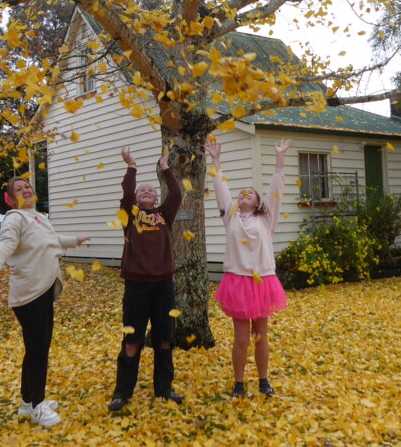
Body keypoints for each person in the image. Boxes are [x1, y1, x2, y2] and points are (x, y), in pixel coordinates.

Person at [0, 176, 89, 428]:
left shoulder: (39, 217)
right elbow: (7, 244)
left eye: (27, 187)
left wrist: (76, 240)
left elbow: (52, 240)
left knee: (36, 349)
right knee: (38, 352)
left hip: (44, 291)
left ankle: (27, 404)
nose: (25, 191)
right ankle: (37, 405)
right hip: (29, 295)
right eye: (19, 189)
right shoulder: (15, 218)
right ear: (11, 198)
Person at [204, 138, 292, 398]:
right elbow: (221, 190)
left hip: (262, 280)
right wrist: (215, 161)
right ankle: (239, 383)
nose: (244, 194)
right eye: (241, 193)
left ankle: (264, 380)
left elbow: (276, 192)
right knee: (241, 338)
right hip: (237, 282)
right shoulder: (230, 216)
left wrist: (279, 159)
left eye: (249, 193)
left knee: (260, 335)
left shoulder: (266, 218)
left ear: (256, 202)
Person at [107, 145, 184, 412]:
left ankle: (164, 388)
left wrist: (166, 168)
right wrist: (132, 167)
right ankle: (122, 393)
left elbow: (176, 193)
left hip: (164, 288)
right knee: (132, 341)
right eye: (143, 191)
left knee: (165, 339)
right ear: (138, 199)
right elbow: (127, 192)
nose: (147, 192)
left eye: (151, 190)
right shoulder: (130, 216)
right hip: (136, 288)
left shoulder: (165, 215)